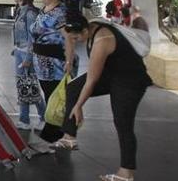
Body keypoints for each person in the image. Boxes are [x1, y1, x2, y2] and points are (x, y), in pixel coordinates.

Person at [54, 13, 153, 181]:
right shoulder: (87, 26)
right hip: (112, 74)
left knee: (122, 123)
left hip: (130, 80)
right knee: (73, 87)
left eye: (77, 37)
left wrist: (78, 106)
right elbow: (69, 37)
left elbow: (92, 81)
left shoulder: (102, 40)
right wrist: (68, 61)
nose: (76, 40)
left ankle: (126, 173)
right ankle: (70, 137)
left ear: (85, 30)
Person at [30, 0, 76, 149]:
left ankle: (55, 136)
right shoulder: (43, 11)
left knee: (56, 100)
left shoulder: (61, 13)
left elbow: (69, 38)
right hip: (41, 64)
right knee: (51, 99)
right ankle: (55, 134)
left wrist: (69, 61)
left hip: (56, 63)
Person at [11, 0, 45, 132]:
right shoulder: (21, 11)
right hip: (20, 51)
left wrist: (28, 57)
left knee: (29, 85)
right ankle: (26, 119)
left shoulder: (30, 13)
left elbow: (33, 38)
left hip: (26, 53)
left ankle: (40, 117)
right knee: (25, 85)